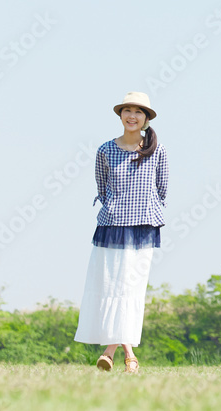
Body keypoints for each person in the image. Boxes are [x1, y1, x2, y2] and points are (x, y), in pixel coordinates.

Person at [74, 91, 168, 374]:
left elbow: (162, 189)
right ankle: (129, 356)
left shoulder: (157, 150)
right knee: (110, 288)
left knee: (131, 288)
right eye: (127, 110)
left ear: (146, 118)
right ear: (120, 115)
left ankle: (111, 352)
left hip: (142, 229)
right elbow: (102, 190)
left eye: (138, 112)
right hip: (111, 228)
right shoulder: (105, 150)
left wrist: (143, 210)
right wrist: (118, 208)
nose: (132, 116)